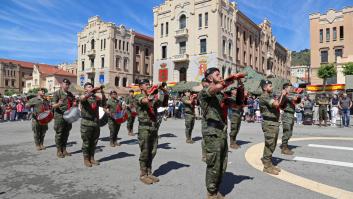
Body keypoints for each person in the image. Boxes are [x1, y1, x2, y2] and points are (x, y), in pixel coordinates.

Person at [199, 68, 241, 199]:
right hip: (212, 132)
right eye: (217, 74)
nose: (221, 75)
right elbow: (212, 90)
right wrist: (229, 80)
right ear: (210, 78)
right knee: (214, 164)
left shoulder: (221, 95)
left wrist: (240, 86)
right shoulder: (205, 92)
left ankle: (216, 189)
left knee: (222, 164)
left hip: (221, 132)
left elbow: (237, 105)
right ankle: (211, 193)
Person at [135, 79, 168, 185]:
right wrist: (154, 90)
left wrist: (163, 90)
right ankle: (143, 174)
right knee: (145, 152)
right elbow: (146, 100)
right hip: (144, 128)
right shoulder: (138, 96)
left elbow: (164, 102)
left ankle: (149, 172)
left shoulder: (153, 97)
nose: (148, 86)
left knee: (152, 151)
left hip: (153, 127)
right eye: (146, 84)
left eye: (149, 84)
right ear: (140, 87)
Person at [259, 79, 287, 175]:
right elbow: (276, 104)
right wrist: (282, 95)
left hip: (273, 123)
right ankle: (267, 166)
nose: (272, 87)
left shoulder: (269, 96)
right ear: (265, 88)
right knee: (270, 144)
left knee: (272, 144)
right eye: (270, 86)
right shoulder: (264, 97)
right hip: (269, 123)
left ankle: (269, 163)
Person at [80, 83, 106, 167]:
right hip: (86, 123)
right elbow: (83, 99)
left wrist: (102, 92)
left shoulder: (96, 98)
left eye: (91, 86)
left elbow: (104, 104)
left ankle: (92, 158)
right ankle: (86, 159)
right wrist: (91, 92)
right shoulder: (83, 96)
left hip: (95, 123)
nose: (91, 88)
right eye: (89, 87)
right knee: (86, 142)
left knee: (94, 142)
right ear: (85, 89)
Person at [52, 79, 76, 158]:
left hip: (68, 115)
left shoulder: (70, 94)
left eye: (68, 84)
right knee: (59, 133)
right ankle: (59, 150)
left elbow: (73, 102)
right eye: (65, 84)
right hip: (60, 116)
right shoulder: (57, 93)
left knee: (66, 133)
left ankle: (64, 149)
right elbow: (53, 106)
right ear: (61, 84)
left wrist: (75, 103)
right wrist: (58, 104)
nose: (67, 86)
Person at [280, 83, 300, 155]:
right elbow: (281, 104)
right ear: (285, 88)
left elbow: (297, 101)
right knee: (287, 132)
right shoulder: (283, 95)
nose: (290, 88)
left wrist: (298, 97)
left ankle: (285, 145)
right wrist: (284, 95)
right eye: (289, 87)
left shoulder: (290, 95)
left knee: (290, 133)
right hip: (286, 114)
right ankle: (284, 148)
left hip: (291, 115)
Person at [199, 78, 209, 162]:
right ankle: (204, 155)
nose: (208, 83)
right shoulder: (203, 93)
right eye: (206, 82)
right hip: (206, 119)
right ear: (202, 83)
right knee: (205, 138)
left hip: (214, 120)